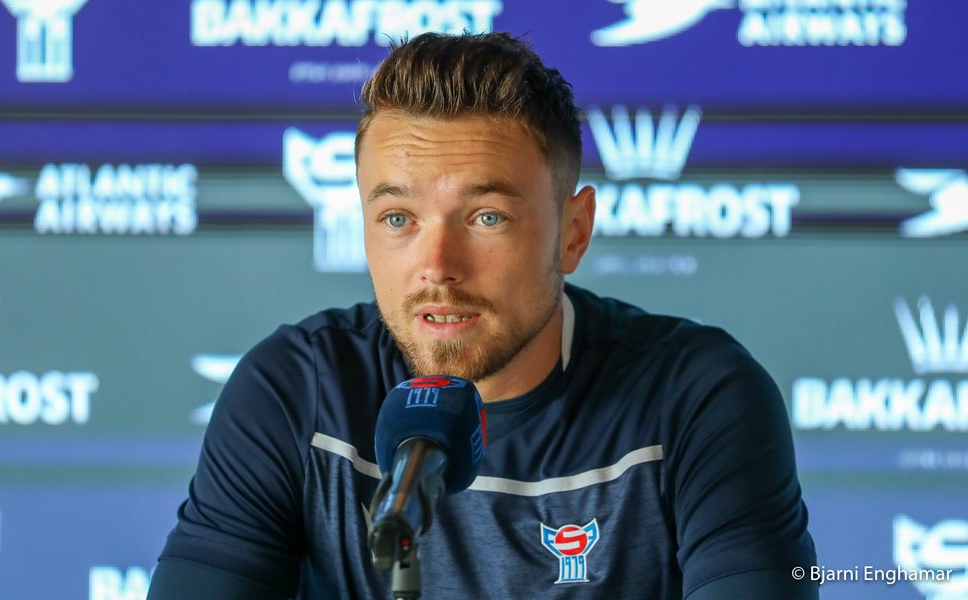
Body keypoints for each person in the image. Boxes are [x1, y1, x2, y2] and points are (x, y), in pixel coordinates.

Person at [148, 32, 817, 599]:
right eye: (398, 218)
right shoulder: (296, 392)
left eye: (486, 217)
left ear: (574, 232)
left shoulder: (697, 398)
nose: (437, 265)